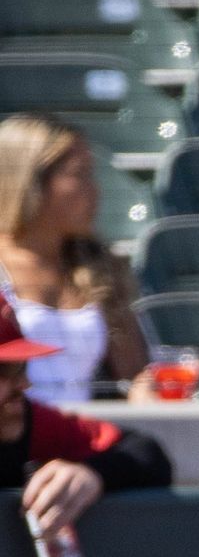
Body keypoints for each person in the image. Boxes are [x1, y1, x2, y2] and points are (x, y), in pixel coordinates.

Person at [0, 112, 151, 403]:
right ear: (29, 180)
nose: (94, 191)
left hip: (86, 437)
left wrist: (147, 390)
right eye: (79, 174)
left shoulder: (100, 267)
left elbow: (135, 374)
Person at [0, 292, 173, 546]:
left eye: (22, 367)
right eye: (6, 370)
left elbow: (145, 453)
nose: (23, 384)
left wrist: (91, 473)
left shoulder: (30, 422)